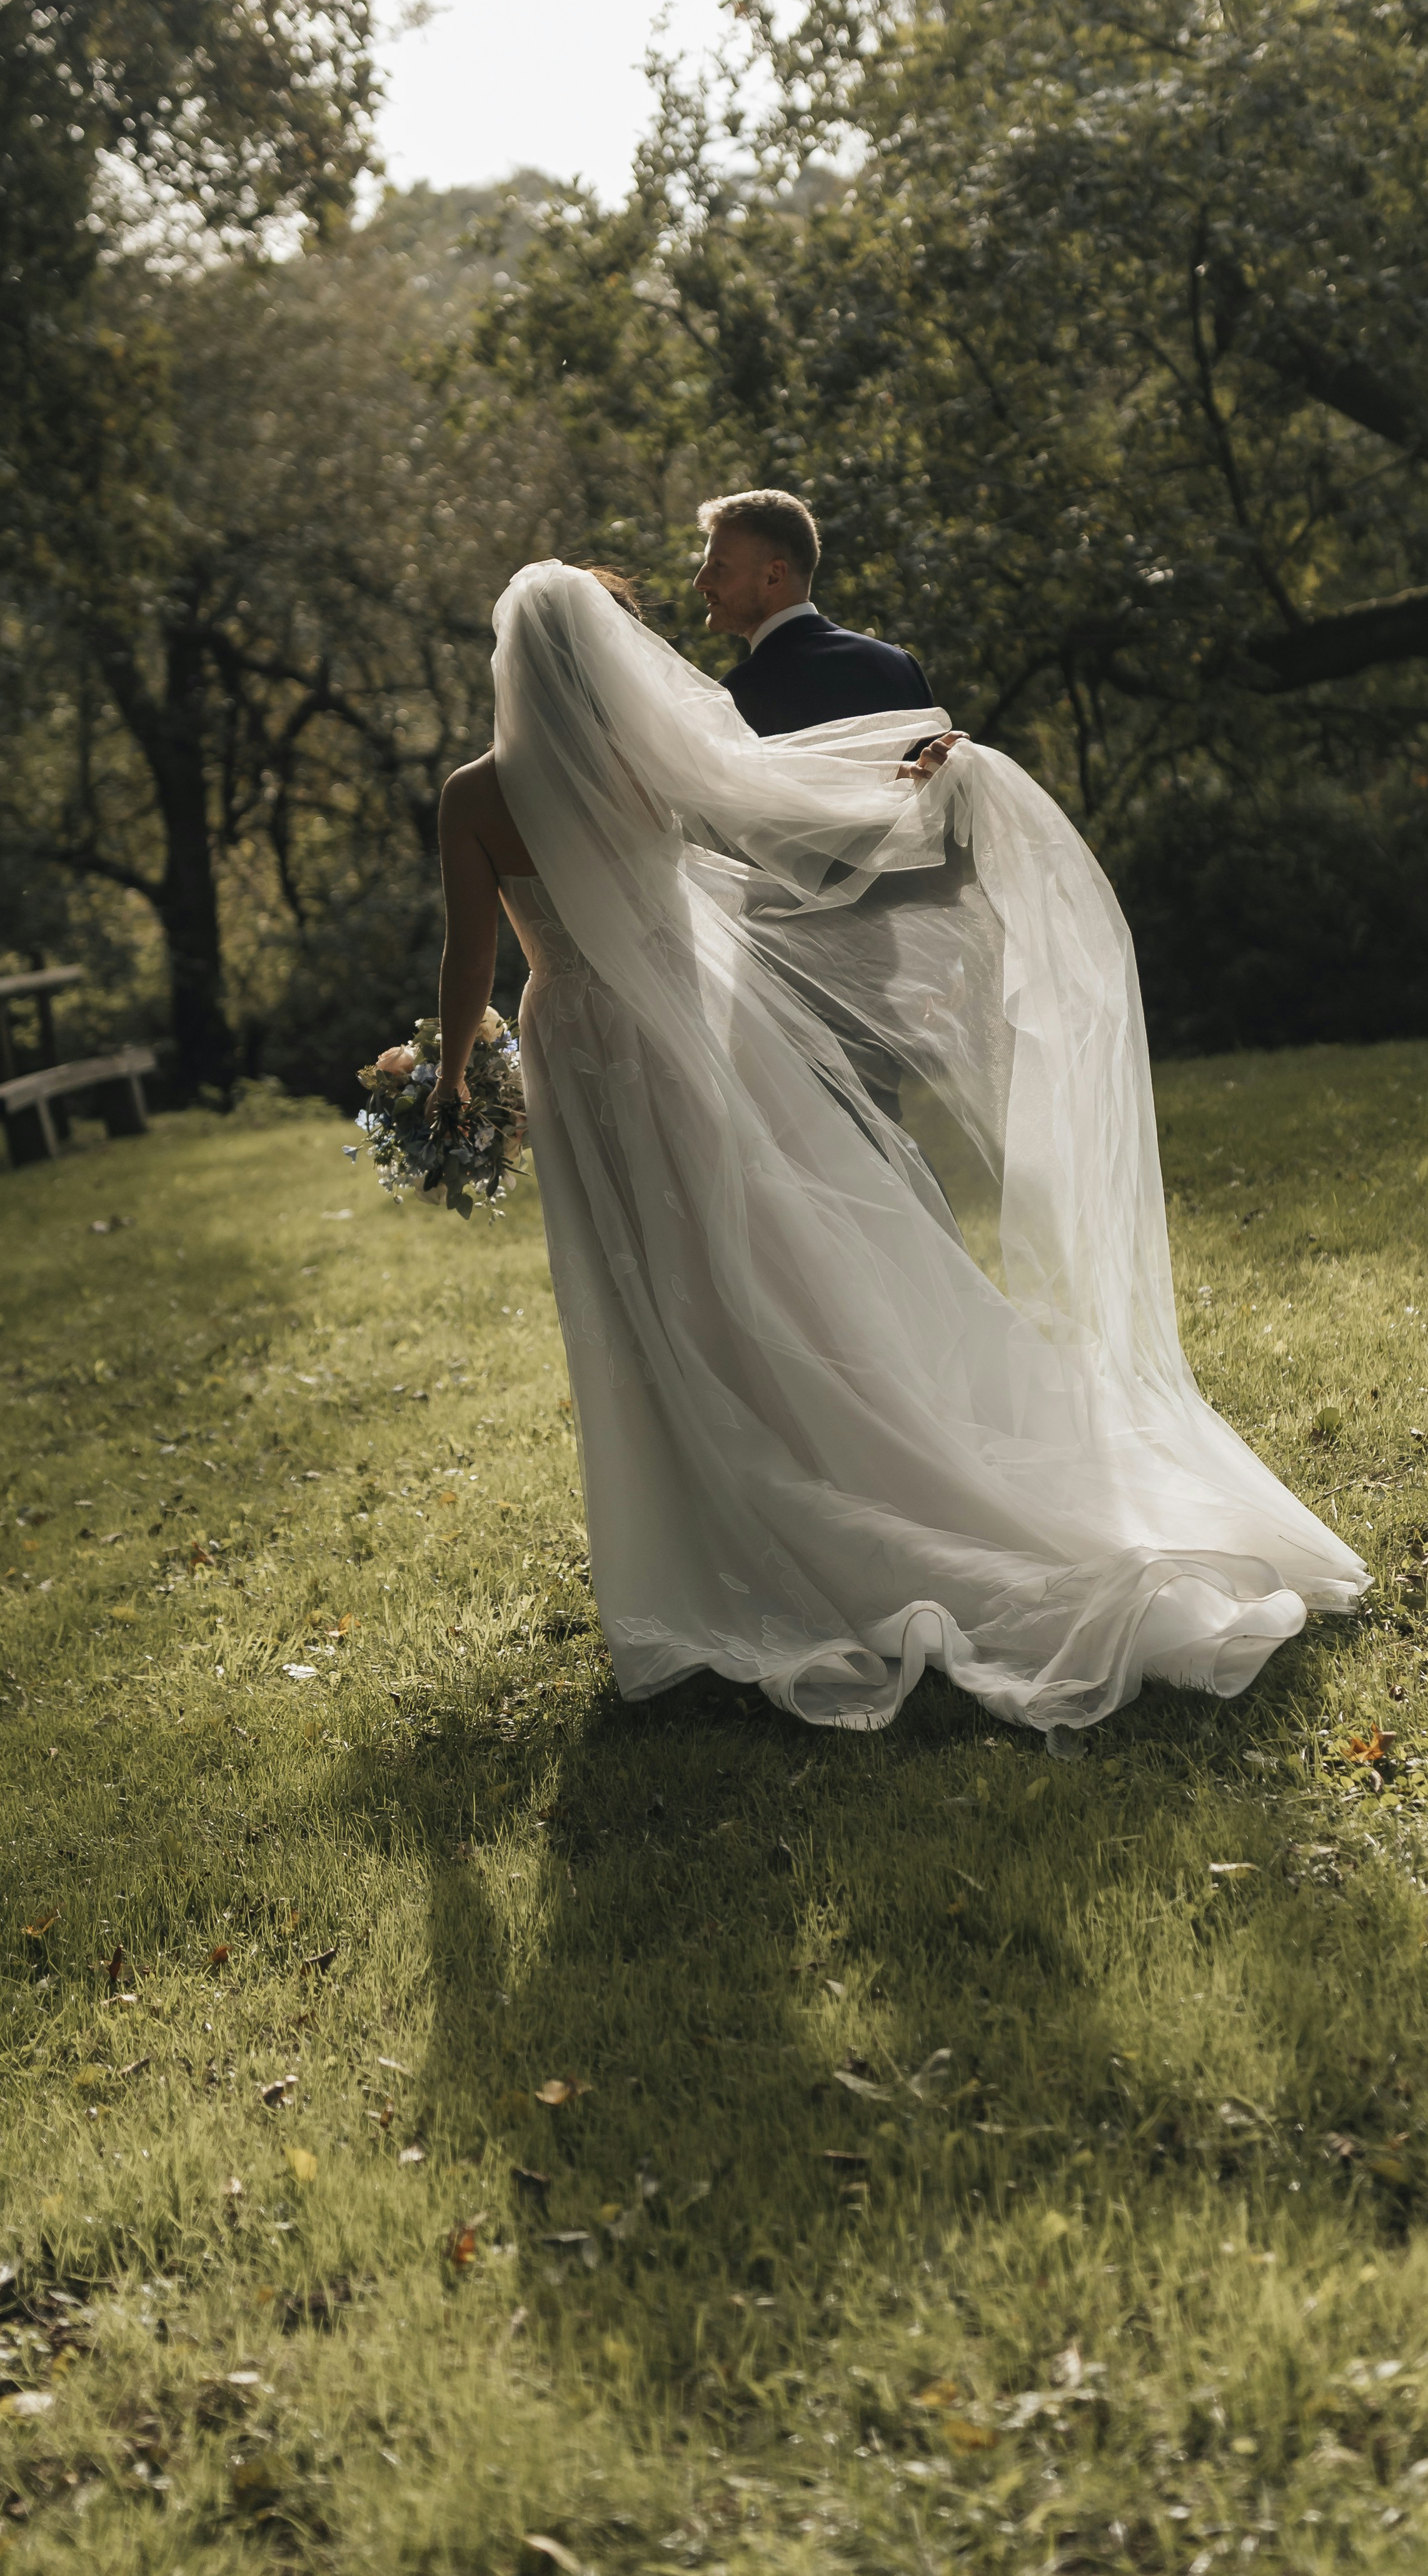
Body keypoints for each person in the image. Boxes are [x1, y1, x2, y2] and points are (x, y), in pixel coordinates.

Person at [430, 559, 1365, 1742]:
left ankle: (717, 1518)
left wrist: (455, 1073)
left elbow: (471, 965)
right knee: (746, 1249)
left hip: (573, 1039)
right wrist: (914, 786)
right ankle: (787, 1448)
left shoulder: (475, 793)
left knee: (641, 1286)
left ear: (513, 668)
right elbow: (784, 813)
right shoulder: (644, 764)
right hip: (678, 1033)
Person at [693, 488, 940, 739]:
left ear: (774, 575)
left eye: (719, 566)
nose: (700, 582)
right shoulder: (900, 667)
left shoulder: (735, 698)